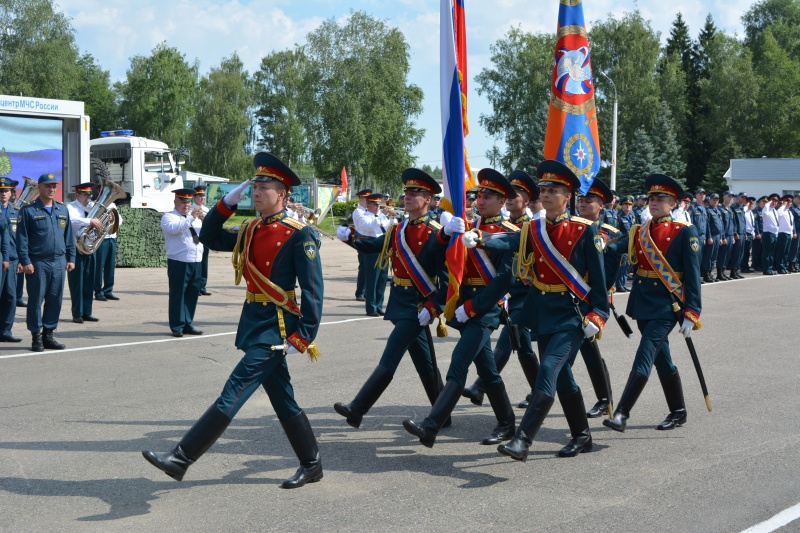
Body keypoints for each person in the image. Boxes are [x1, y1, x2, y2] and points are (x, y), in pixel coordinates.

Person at [143, 152, 325, 489]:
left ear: (283, 194)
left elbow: (314, 292)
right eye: (254, 186)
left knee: (234, 389)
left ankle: (181, 458)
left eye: (264, 187)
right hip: (255, 321)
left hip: (278, 328)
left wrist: (303, 337)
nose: (256, 192)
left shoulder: (300, 235)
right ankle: (312, 464)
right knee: (283, 399)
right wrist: (226, 202)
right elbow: (210, 237)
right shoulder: (251, 227)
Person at [471, 161, 608, 461]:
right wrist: (481, 238)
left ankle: (522, 440)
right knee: (563, 379)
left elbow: (598, 282)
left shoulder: (585, 231)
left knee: (547, 370)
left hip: (572, 315)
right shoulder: (534, 228)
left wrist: (598, 315)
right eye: (543, 190)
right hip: (543, 311)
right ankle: (582, 435)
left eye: (553, 190)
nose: (545, 195)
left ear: (568, 196)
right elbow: (511, 241)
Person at [403, 168, 518, 448]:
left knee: (458, 362)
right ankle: (507, 422)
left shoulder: (511, 233)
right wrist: (444, 234)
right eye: (480, 194)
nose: (482, 199)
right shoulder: (465, 226)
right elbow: (434, 263)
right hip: (463, 306)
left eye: (489, 196)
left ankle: (431, 425)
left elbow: (505, 279)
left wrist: (475, 307)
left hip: (485, 310)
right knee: (488, 372)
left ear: (503, 202)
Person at [333, 168, 453, 429]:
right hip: (399, 300)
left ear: (428, 198)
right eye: (406, 192)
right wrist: (351, 238)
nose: (407, 196)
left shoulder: (437, 233)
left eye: (414, 192)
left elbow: (449, 280)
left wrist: (434, 306)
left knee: (390, 356)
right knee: (425, 363)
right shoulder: (398, 229)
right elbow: (376, 246)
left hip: (419, 305)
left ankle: (358, 408)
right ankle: (443, 414)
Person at [604, 173, 702, 433]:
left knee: (645, 354)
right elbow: (617, 247)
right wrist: (598, 244)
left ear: (673, 203)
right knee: (661, 359)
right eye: (652, 198)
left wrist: (692, 311)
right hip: (643, 302)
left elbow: (693, 276)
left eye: (661, 199)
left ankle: (622, 412)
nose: (654, 202)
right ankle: (678, 411)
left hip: (667, 305)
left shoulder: (684, 232)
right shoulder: (641, 230)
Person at [461, 170, 540, 410]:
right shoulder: (497, 224)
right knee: (523, 347)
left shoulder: (532, 226)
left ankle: (481, 385)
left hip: (525, 294)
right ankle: (539, 391)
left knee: (509, 340)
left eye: (517, 194)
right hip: (504, 294)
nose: (511, 198)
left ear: (526, 200)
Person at [574, 178, 625, 419]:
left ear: (601, 205)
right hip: (570, 297)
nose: (583, 204)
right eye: (580, 199)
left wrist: (594, 301)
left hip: (592, 299)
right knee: (583, 349)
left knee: (588, 349)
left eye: (589, 200)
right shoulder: (570, 227)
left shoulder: (611, 234)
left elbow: (609, 274)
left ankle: (605, 399)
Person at [16, 173, 76, 352]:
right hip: (38, 262)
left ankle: (48, 334)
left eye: (54, 186)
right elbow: (22, 239)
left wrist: (71, 258)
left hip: (58, 261)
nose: (51, 189)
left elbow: (69, 237)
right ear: (39, 188)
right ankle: (36, 337)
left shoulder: (62, 209)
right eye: (48, 186)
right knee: (35, 300)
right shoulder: (28, 210)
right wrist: (25, 261)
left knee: (55, 299)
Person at [161, 188, 205, 337]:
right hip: (179, 261)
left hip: (196, 260)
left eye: (188, 201)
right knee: (178, 295)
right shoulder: (169, 217)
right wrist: (192, 217)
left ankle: (188, 323)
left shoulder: (195, 218)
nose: (186, 204)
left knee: (192, 294)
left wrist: (206, 221)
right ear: (175, 202)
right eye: (182, 201)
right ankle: (177, 326)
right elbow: (175, 229)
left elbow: (203, 235)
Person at [67, 183, 102, 323]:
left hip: (89, 247)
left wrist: (106, 220)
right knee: (77, 283)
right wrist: (90, 221)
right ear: (77, 195)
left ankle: (87, 312)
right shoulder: (70, 207)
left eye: (90, 194)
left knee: (89, 281)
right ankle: (77, 313)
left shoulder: (92, 207)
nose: (88, 197)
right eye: (85, 194)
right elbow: (72, 220)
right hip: (76, 248)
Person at [354, 193, 391, 316]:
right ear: (368, 205)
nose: (377, 207)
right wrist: (382, 216)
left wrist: (392, 217)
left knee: (382, 278)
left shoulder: (380, 216)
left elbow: (389, 227)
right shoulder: (363, 216)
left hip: (383, 245)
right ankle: (371, 307)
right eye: (375, 204)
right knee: (372, 278)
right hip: (370, 245)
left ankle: (379, 305)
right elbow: (370, 226)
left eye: (379, 204)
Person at [0, 178, 22, 342]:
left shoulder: (16, 211)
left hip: (13, 259)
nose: (3, 194)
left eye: (6, 191)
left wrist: (22, 259)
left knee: (10, 296)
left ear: (11, 193)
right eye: (0, 191)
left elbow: (21, 239)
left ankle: (6, 331)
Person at [94, 200, 121, 301]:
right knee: (99, 266)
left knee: (110, 266)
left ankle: (108, 290)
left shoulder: (113, 205)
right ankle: (98, 291)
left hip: (112, 237)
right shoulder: (96, 205)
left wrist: (113, 217)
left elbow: (120, 221)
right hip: (102, 239)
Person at [352, 188, 372, 302]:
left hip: (371, 240)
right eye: (367, 199)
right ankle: (360, 292)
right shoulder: (358, 212)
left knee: (370, 268)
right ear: (361, 199)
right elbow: (366, 226)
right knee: (364, 267)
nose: (369, 202)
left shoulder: (369, 211)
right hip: (363, 240)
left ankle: (366, 292)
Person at [192, 185, 212, 295]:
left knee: (204, 263)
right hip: (195, 238)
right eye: (200, 196)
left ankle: (202, 287)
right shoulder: (191, 208)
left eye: (203, 196)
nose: (202, 198)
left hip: (205, 238)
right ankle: (195, 287)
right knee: (196, 263)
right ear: (194, 197)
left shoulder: (206, 209)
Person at [616, 196, 636, 292]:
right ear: (622, 205)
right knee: (622, 264)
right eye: (626, 204)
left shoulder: (632, 217)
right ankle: (619, 285)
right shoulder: (619, 217)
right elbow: (617, 231)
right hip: (622, 244)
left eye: (630, 205)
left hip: (630, 244)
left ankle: (623, 284)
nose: (628, 206)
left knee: (627, 265)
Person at [702, 193, 723, 282]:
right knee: (708, 256)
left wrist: (721, 237)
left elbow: (721, 225)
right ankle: (706, 274)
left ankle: (710, 273)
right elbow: (707, 226)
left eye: (717, 200)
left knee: (714, 257)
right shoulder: (708, 211)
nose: (715, 201)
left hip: (718, 236)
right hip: (712, 236)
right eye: (714, 199)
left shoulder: (717, 211)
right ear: (710, 200)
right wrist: (709, 237)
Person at [691, 188, 709, 283]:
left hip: (702, 237)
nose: (702, 196)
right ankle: (696, 277)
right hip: (695, 237)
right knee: (695, 258)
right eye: (700, 194)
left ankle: (699, 276)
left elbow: (706, 224)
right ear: (696, 195)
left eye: (703, 194)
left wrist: (706, 236)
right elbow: (691, 224)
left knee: (701, 258)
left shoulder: (704, 209)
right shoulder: (692, 208)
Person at [761, 194, 780, 275]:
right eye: (773, 200)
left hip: (774, 233)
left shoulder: (774, 211)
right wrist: (768, 203)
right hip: (768, 233)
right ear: (769, 200)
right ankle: (766, 269)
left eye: (776, 201)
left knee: (771, 253)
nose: (774, 202)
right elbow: (765, 213)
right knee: (767, 253)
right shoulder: (767, 209)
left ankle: (770, 268)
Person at [775, 194, 794, 274]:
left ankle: (784, 266)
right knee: (781, 252)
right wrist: (783, 206)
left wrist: (792, 233)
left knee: (786, 252)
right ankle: (780, 267)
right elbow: (778, 215)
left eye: (790, 201)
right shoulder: (781, 210)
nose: (789, 203)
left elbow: (791, 224)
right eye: (787, 201)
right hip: (782, 233)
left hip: (788, 233)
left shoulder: (789, 211)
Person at [742, 197, 756, 273]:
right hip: (746, 233)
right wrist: (744, 233)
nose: (751, 204)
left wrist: (753, 233)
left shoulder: (750, 212)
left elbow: (752, 224)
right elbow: (743, 223)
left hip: (750, 233)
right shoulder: (744, 211)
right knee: (744, 251)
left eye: (752, 203)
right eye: (749, 203)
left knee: (748, 251)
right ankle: (743, 266)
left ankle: (746, 266)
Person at [751, 196, 766, 271]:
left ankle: (760, 264)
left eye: (766, 202)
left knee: (762, 250)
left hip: (764, 233)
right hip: (758, 233)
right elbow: (755, 223)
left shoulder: (765, 211)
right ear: (759, 203)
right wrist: (757, 233)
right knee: (757, 250)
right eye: (763, 202)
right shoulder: (756, 211)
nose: (764, 203)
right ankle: (756, 265)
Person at [789, 195, 800, 272]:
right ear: (794, 199)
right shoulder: (792, 209)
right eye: (799, 198)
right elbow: (792, 222)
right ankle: (791, 265)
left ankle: (797, 264)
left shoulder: (798, 208)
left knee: (798, 249)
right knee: (794, 249)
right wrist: (794, 232)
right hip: (796, 231)